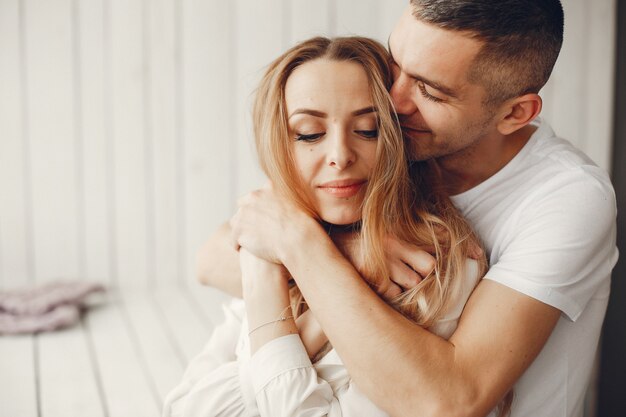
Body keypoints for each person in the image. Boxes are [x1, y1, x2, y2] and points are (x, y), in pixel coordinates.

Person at [200, 1, 618, 416]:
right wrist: (349, 250)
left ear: (514, 113)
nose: (393, 100)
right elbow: (218, 255)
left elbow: (451, 400)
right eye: (395, 64)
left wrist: (304, 247)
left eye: (429, 90)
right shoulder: (390, 147)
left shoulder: (569, 198)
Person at [164, 36, 489, 416]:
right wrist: (300, 266)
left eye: (368, 130)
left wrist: (269, 260)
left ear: (397, 139)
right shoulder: (282, 236)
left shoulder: (432, 269)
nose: (339, 155)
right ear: (279, 144)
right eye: (309, 134)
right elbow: (183, 406)